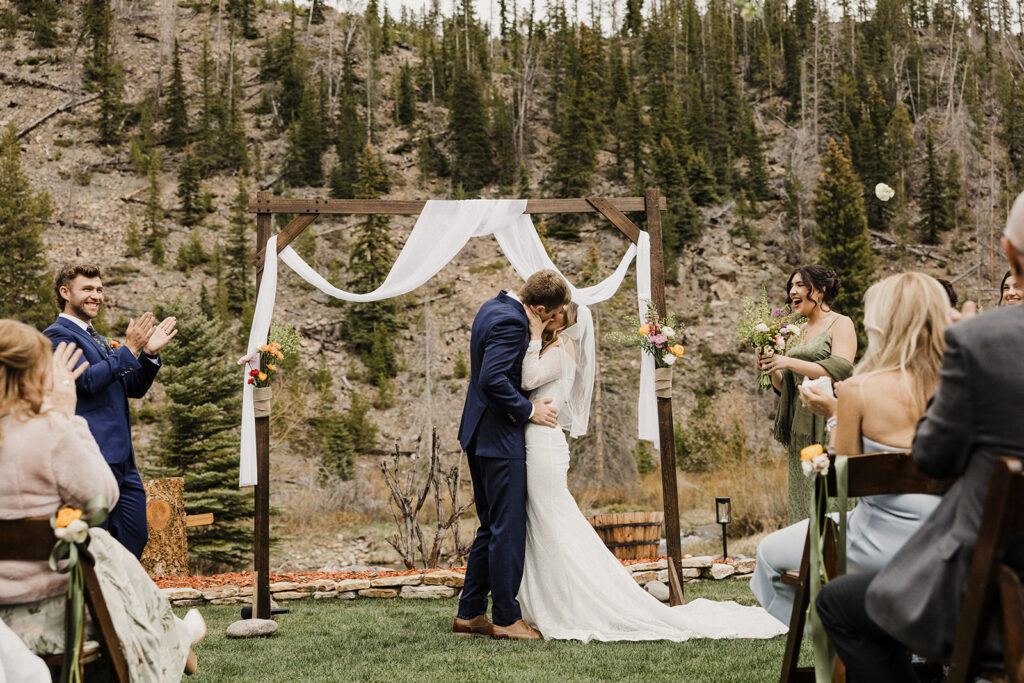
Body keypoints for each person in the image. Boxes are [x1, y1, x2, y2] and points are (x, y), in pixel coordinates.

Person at [815, 191, 1024, 682]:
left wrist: (962, 345)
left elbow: (934, 456)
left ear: (1010, 252)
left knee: (839, 604)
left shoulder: (980, 341)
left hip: (991, 585)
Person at [514, 302, 786, 641]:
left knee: (552, 521)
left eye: (554, 316)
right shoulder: (551, 346)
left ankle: (569, 601)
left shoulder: (562, 347)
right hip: (538, 440)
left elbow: (528, 379)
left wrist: (534, 336)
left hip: (544, 443)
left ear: (566, 324)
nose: (546, 319)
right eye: (547, 314)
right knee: (544, 521)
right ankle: (547, 598)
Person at [0, 319, 204, 680]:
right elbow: (102, 496)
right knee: (104, 550)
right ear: (33, 372)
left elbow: (130, 385)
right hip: (60, 607)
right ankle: (174, 636)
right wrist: (65, 416)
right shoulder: (48, 429)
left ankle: (176, 633)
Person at [751, 273, 948, 626]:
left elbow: (837, 481)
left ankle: (827, 632)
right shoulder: (964, 387)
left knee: (767, 556)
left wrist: (833, 414)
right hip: (949, 541)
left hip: (877, 545)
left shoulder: (859, 390)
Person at [452, 270, 564, 641]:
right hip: (499, 438)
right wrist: (530, 411)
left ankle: (469, 615)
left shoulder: (492, 305)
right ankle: (505, 618)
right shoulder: (513, 322)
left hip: (480, 433)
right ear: (538, 307)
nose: (548, 323)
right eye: (548, 316)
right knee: (507, 529)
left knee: (490, 526)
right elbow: (493, 379)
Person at [42, 264, 177, 558]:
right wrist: (128, 347)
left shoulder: (98, 339)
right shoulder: (57, 336)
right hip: (89, 459)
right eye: (87, 289)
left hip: (123, 461)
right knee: (87, 541)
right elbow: (87, 381)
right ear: (65, 293)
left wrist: (148, 354)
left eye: (100, 289)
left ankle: (114, 598)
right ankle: (91, 600)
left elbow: (133, 388)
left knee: (135, 536)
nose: (96, 296)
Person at [758, 265, 857, 523]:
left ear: (821, 290)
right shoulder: (796, 330)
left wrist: (786, 362)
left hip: (829, 421)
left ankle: (837, 553)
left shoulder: (841, 323)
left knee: (830, 495)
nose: (793, 291)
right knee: (803, 496)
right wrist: (771, 368)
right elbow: (786, 387)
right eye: (791, 286)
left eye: (800, 285)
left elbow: (841, 367)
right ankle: (804, 557)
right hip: (799, 426)